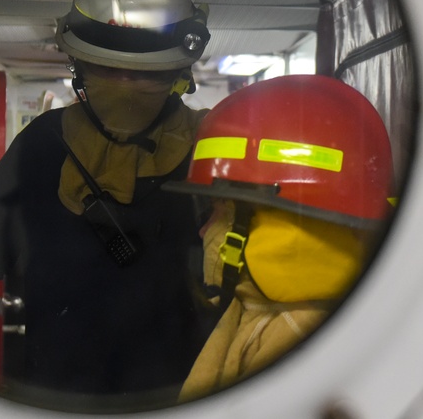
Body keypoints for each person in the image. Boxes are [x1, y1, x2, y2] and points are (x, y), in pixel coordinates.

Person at [0, 0, 214, 407]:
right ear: (80, 68)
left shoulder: (212, 151)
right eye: (110, 71)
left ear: (176, 74)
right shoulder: (41, 148)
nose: (126, 86)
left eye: (143, 75)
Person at [167, 74, 394, 402]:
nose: (203, 230)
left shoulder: (298, 337)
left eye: (218, 211)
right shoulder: (272, 309)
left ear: (276, 226)